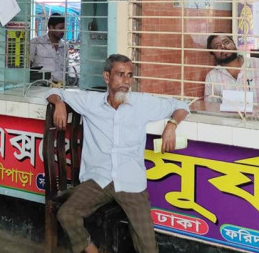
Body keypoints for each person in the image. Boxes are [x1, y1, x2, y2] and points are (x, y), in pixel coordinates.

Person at [48, 54, 189, 253]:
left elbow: (182, 106)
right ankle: (92, 250)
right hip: (99, 180)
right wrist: (59, 104)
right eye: (120, 74)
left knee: (148, 247)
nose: (126, 81)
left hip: (130, 181)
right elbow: (54, 92)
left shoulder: (142, 103)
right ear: (107, 76)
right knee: (66, 214)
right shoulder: (90, 102)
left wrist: (171, 125)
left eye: (130, 75)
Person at [204, 34, 259, 106]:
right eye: (217, 46)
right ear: (213, 53)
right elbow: (211, 107)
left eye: (226, 42)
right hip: (229, 120)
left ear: (234, 44)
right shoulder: (212, 77)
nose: (223, 47)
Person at [30, 14, 67, 83]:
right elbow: (28, 65)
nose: (63, 31)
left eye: (64, 28)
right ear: (51, 27)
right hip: (40, 86)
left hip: (60, 86)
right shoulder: (36, 43)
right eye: (60, 28)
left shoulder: (64, 46)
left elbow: (65, 68)